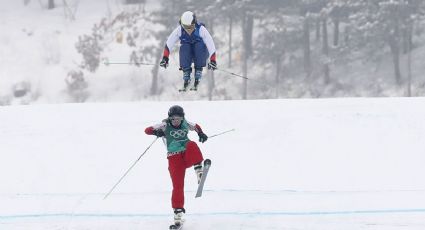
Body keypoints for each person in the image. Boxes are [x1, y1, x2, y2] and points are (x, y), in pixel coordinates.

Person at [144, 105, 209, 226]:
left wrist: (201, 133)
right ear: (169, 118)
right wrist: (155, 132)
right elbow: (147, 130)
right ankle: (178, 213)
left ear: (182, 118)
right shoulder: (164, 125)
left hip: (186, 155)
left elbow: (196, 126)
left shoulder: (185, 123)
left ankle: (199, 171)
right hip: (174, 159)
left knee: (192, 145)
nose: (176, 121)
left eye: (178, 118)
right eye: (173, 119)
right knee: (177, 186)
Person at [159, 11, 217, 90]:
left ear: (194, 23)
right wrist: (165, 58)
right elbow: (169, 42)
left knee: (198, 45)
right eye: (185, 27)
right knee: (185, 46)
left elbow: (210, 44)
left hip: (201, 53)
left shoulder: (201, 29)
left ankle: (198, 71)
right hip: (188, 55)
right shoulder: (179, 30)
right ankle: (186, 73)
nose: (188, 30)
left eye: (190, 27)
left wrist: (213, 60)